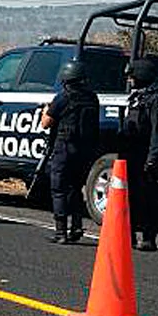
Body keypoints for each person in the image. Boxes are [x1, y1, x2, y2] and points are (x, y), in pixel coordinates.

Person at [40, 59, 99, 244]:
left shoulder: (63, 97)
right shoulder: (92, 98)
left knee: (59, 189)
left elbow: (46, 123)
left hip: (64, 147)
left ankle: (60, 232)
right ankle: (76, 226)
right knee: (75, 188)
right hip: (85, 150)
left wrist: (45, 111)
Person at [120, 58, 158, 251]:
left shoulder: (155, 100)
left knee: (148, 198)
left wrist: (152, 159)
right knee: (129, 197)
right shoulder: (135, 98)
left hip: (146, 154)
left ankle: (148, 238)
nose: (130, 80)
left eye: (132, 76)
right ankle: (128, 235)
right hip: (130, 155)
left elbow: (156, 133)